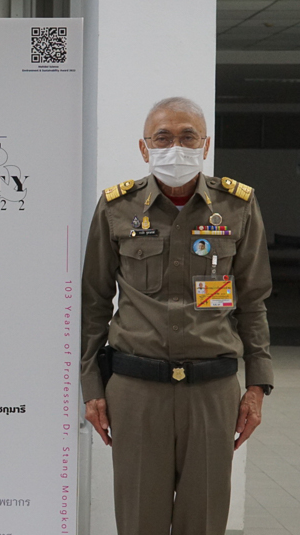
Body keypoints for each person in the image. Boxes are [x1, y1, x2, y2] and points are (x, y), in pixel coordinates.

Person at [81, 97, 273, 535]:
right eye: (163, 138)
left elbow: (254, 301)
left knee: (203, 520)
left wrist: (257, 386)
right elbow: (93, 302)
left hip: (212, 390)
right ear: (144, 147)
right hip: (135, 390)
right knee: (139, 521)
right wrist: (91, 387)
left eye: (188, 137)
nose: (176, 148)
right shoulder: (117, 208)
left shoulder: (238, 206)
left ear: (205, 145)